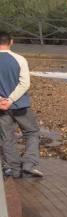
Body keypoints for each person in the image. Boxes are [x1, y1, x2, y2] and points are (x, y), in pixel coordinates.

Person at [0, 32, 42, 178]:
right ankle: (29, 164)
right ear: (11, 42)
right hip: (20, 105)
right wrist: (11, 100)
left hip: (1, 107)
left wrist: (2, 100)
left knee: (7, 137)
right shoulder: (19, 59)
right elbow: (25, 83)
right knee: (31, 132)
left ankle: (13, 168)